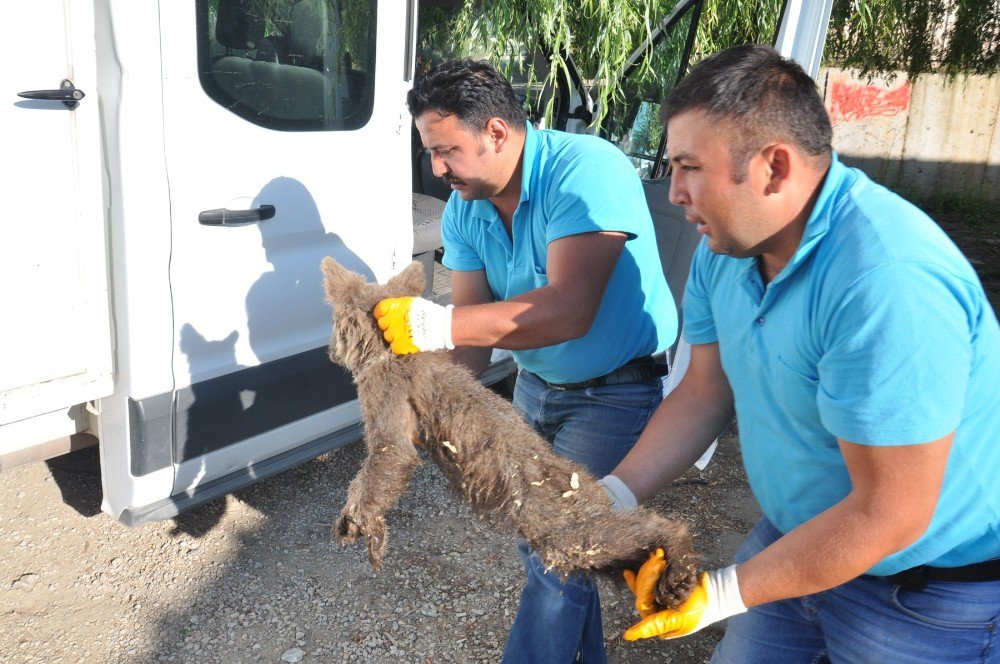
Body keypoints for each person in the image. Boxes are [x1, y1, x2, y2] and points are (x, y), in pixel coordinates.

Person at [601, 44, 1000, 662]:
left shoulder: (885, 281)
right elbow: (703, 394)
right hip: (795, 543)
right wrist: (613, 499)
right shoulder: (726, 250)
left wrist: (724, 593)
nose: (674, 191)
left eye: (689, 167)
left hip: (922, 595)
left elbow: (889, 514)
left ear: (774, 168)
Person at [373, 58, 677, 663]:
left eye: (446, 150)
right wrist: (437, 413)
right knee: (553, 551)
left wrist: (431, 322)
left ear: (496, 132)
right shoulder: (465, 208)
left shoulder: (585, 171)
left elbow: (569, 310)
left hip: (615, 391)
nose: (436, 167)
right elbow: (474, 336)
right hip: (536, 388)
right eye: (430, 151)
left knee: (557, 555)